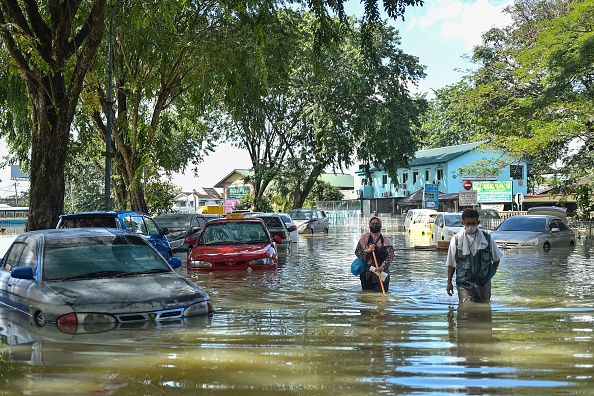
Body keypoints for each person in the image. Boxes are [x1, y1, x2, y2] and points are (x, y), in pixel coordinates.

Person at [446, 208, 502, 303]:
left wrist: (490, 274)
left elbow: (496, 259)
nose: (470, 226)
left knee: (484, 311)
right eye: (468, 223)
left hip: (483, 283)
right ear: (463, 223)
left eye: (473, 223)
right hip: (464, 283)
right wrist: (449, 282)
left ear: (478, 222)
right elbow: (451, 264)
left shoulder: (487, 239)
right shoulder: (456, 240)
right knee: (466, 311)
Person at [354, 216, 394, 292]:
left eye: (377, 224)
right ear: (369, 225)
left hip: (381, 274)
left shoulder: (386, 241)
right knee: (367, 297)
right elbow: (357, 252)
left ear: (381, 225)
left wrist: (382, 267)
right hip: (366, 274)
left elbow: (389, 257)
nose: (375, 225)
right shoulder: (364, 239)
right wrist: (367, 251)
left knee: (381, 296)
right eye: (373, 224)